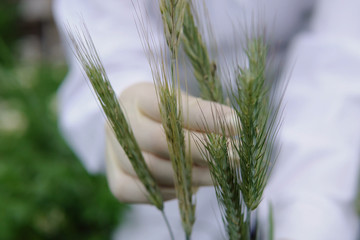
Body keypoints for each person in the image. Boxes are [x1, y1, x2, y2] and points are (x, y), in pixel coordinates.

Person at [53, 0, 360, 239]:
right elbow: (104, 39)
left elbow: (338, 60)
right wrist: (126, 100)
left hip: (295, 137)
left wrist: (307, 218)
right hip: (174, 180)